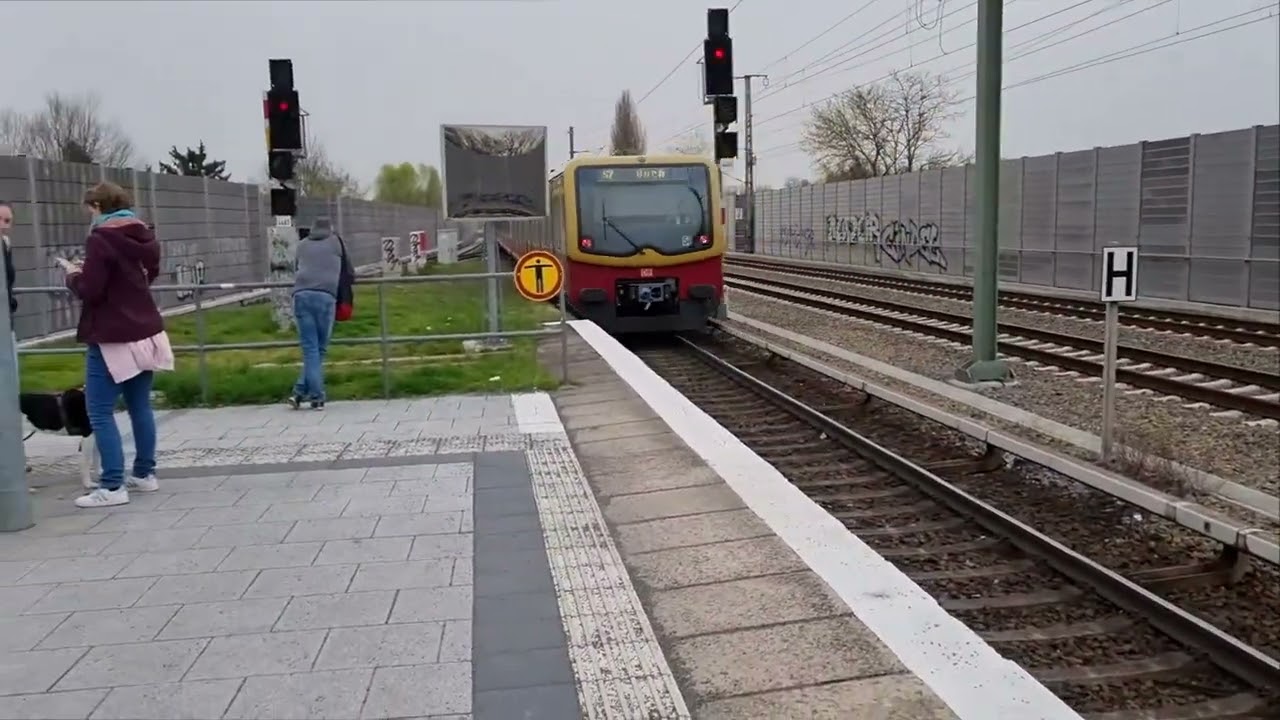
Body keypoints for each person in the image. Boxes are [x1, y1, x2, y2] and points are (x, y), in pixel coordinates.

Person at [64, 182, 166, 508]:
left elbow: (91, 290)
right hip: (145, 329)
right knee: (140, 405)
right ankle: (145, 474)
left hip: (110, 334)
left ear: (97, 206)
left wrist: (73, 276)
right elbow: (146, 275)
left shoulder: (101, 238)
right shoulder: (145, 235)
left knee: (99, 410)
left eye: (89, 210)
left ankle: (111, 486)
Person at [289, 216, 347, 410]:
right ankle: (316, 396)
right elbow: (347, 268)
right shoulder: (335, 242)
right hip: (326, 297)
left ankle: (299, 392)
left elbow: (296, 267)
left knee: (311, 349)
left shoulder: (302, 244)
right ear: (330, 228)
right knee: (319, 349)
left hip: (301, 295)